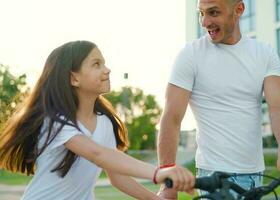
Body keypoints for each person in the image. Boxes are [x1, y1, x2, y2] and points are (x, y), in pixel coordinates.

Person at [0, 41, 195, 200]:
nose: (107, 70)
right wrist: (157, 173)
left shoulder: (105, 123)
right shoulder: (56, 121)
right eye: (96, 64)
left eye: (104, 63)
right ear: (73, 79)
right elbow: (97, 154)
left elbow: (117, 176)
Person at [157, 0, 280, 199]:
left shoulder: (264, 53)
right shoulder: (190, 55)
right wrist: (168, 179)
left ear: (239, 9)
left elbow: (278, 106)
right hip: (214, 177)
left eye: (213, 13)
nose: (205, 22)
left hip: (256, 175)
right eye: (201, 13)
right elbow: (172, 117)